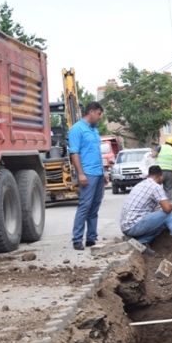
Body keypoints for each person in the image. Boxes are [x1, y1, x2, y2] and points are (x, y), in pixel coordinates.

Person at [120, 165, 172, 255]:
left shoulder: (141, 184)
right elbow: (167, 209)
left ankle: (141, 242)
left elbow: (154, 212)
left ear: (148, 175)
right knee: (168, 215)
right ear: (161, 177)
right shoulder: (155, 186)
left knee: (161, 222)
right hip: (134, 225)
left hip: (125, 226)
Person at [69, 101, 106, 251]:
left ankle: (91, 238)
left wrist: (104, 173)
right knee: (85, 206)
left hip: (98, 173)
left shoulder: (94, 130)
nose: (100, 117)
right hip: (87, 174)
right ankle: (77, 239)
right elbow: (74, 153)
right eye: (99, 114)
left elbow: (96, 152)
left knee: (94, 207)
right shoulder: (77, 129)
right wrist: (81, 174)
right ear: (91, 112)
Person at [152, 136, 172, 202]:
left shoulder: (161, 147)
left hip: (159, 172)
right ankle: (168, 205)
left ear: (166, 142)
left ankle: (155, 204)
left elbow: (153, 155)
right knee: (168, 190)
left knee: (154, 188)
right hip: (170, 173)